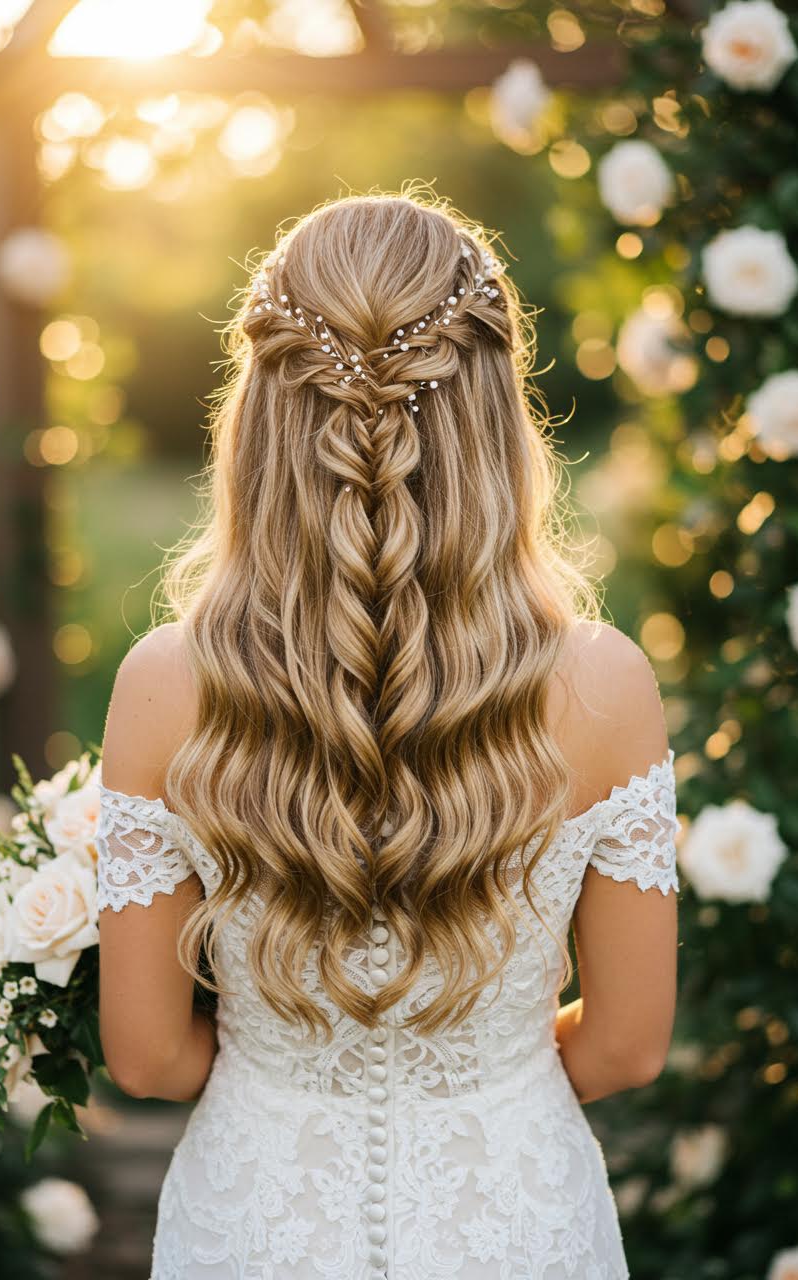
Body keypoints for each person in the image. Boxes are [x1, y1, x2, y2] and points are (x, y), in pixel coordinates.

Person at [96, 191, 680, 1280]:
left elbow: (142, 1053)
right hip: (513, 1212)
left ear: (259, 414)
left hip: (257, 1219)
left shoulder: (164, 684)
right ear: (495, 410)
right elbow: (625, 1043)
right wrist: (475, 1067)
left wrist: (289, 1064)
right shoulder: (605, 683)